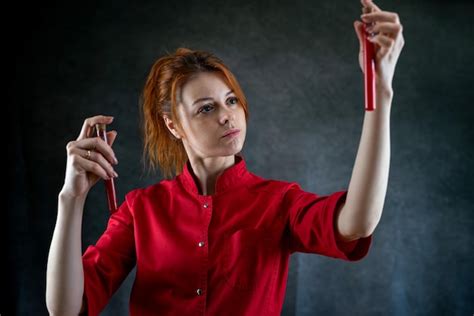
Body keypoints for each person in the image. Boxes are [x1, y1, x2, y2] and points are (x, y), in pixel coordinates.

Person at [46, 0, 404, 314]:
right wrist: (71, 198)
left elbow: (356, 223)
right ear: (173, 125)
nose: (227, 115)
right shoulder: (141, 210)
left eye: (231, 101)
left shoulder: (278, 202)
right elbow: (64, 309)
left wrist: (381, 95)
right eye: (206, 108)